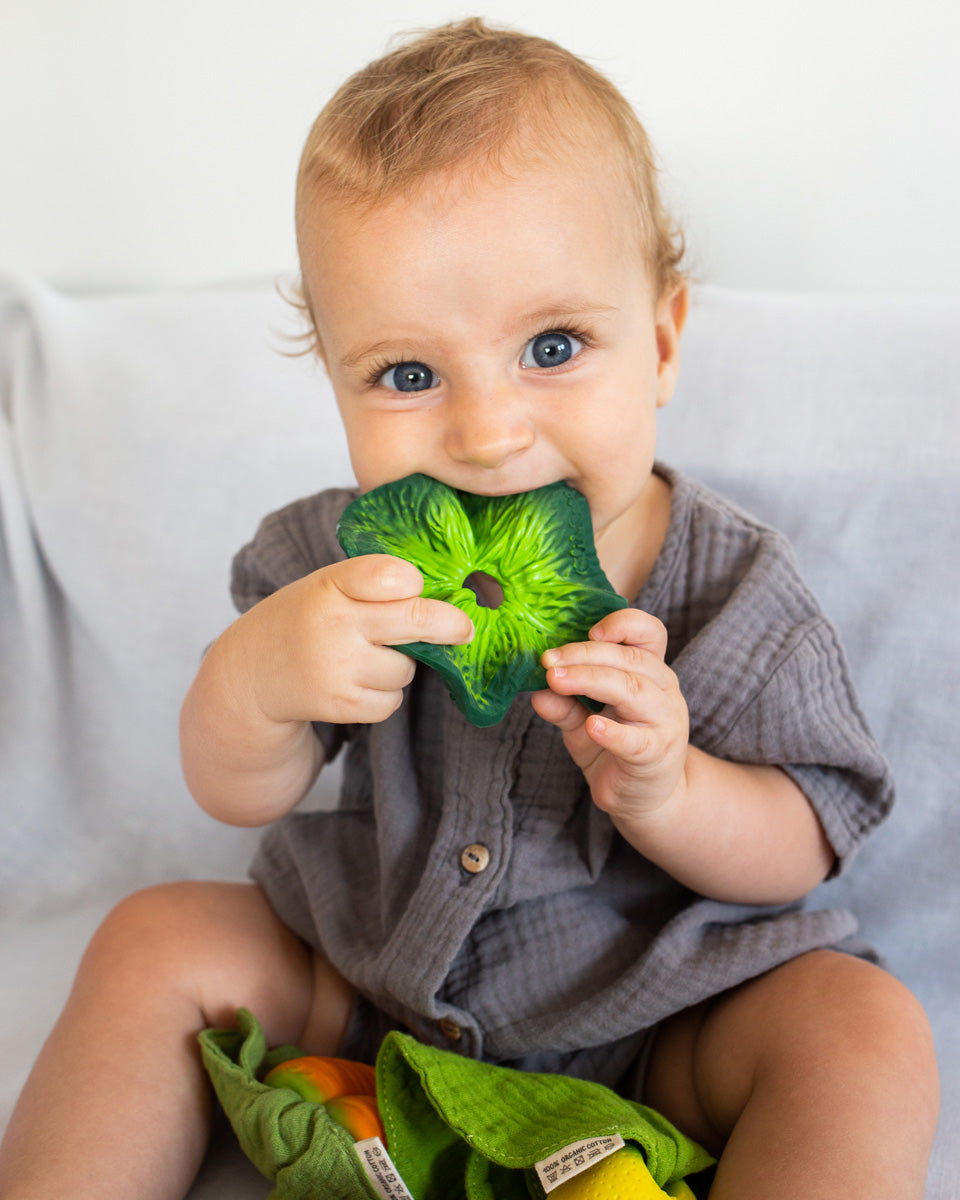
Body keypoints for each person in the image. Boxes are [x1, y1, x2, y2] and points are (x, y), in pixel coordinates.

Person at [0, 18, 939, 1200]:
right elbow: (238, 792)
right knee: (156, 936)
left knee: (864, 1029)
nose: (488, 434)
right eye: (407, 375)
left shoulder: (737, 591)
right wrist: (257, 680)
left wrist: (671, 786)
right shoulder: (324, 561)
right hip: (369, 986)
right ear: (334, 376)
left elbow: (803, 846)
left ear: (659, 341)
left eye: (553, 345)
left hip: (657, 1026)